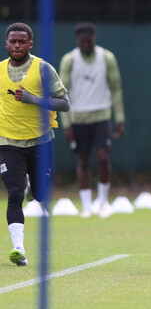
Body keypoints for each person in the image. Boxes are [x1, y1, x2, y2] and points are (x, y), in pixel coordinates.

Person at [1, 23, 70, 266]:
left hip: (40, 141)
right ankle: (18, 249)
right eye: (13, 41)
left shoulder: (43, 69)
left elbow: (65, 104)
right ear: (6, 43)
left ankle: (34, 185)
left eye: (22, 41)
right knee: (14, 194)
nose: (17, 45)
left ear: (30, 44)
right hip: (7, 142)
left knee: (40, 194)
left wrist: (34, 99)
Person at [59, 22, 125, 218]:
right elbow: (62, 93)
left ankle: (103, 202)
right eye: (82, 40)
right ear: (77, 40)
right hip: (78, 117)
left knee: (104, 158)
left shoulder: (107, 58)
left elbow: (115, 88)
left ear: (94, 39)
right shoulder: (69, 60)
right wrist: (67, 123)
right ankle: (87, 206)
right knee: (83, 160)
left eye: (89, 39)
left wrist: (119, 117)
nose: (86, 43)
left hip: (101, 115)